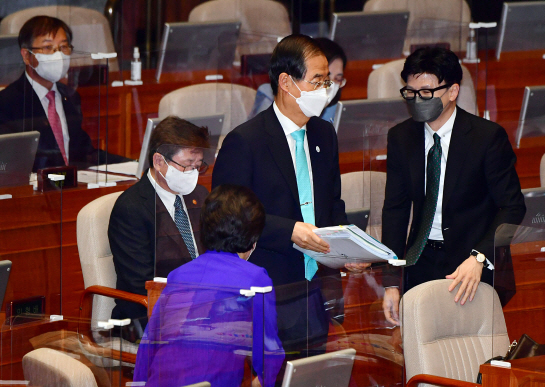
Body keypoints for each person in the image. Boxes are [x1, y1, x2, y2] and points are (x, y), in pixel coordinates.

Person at [212, 35, 364, 357]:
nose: (326, 89)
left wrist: (350, 247)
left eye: (328, 81)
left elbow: (332, 204)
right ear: (286, 82)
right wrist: (290, 230)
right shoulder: (246, 141)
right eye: (317, 80)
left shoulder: (324, 133)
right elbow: (228, 220)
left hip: (318, 287)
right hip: (267, 287)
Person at [381, 47, 526, 325]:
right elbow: (395, 210)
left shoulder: (486, 137)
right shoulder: (401, 137)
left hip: (471, 263)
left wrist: (480, 256)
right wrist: (391, 281)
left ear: (453, 91)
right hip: (420, 259)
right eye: (410, 93)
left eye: (426, 92)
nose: (416, 100)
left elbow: (512, 206)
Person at [133, 184, 284, 387]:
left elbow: (149, 344)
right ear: (253, 240)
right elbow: (269, 354)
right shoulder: (256, 279)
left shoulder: (178, 275)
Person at [108, 116, 210, 330]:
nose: (193, 174)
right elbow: (139, 283)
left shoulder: (200, 196)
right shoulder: (132, 208)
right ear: (158, 161)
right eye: (187, 166)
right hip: (153, 318)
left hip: (204, 309)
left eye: (198, 166)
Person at [0, 15, 127, 171]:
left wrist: (132, 164)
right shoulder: (7, 102)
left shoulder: (70, 97)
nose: (58, 55)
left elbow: (85, 153)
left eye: (64, 47)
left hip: (71, 187)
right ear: (26, 56)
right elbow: (8, 165)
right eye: (48, 48)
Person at [247, 37, 347, 124]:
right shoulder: (271, 98)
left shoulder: (335, 108)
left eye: (338, 79)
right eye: (324, 77)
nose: (331, 85)